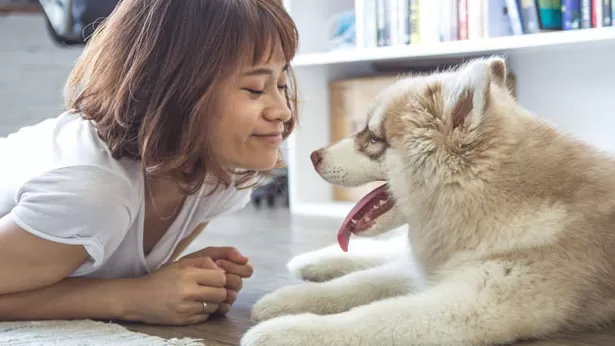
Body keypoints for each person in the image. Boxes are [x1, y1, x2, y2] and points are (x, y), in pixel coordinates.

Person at [0, 0, 298, 326]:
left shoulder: (219, 175)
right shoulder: (92, 193)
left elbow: (121, 270)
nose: (282, 110)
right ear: (174, 90)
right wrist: (130, 298)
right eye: (254, 89)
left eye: (281, 84)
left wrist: (176, 280)